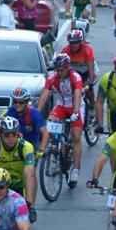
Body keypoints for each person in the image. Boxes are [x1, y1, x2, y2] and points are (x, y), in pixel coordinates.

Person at [37, 53, 84, 187]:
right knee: (50, 126)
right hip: (61, 106)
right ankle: (56, 151)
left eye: (61, 70)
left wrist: (76, 112)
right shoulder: (52, 76)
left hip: (75, 106)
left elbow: (77, 94)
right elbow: (44, 94)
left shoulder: (75, 77)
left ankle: (75, 170)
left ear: (68, 68)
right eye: (57, 70)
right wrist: (37, 114)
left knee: (76, 136)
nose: (58, 72)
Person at [0, 87, 48, 170]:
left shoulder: (35, 114)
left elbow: (45, 133)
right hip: (14, 141)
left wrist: (41, 150)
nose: (17, 104)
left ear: (27, 102)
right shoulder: (8, 111)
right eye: (15, 102)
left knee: (30, 171)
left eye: (21, 102)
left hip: (32, 143)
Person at [61, 29, 97, 110]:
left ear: (80, 42)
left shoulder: (87, 49)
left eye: (75, 42)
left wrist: (90, 83)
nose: (73, 45)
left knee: (88, 88)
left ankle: (92, 106)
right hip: (75, 72)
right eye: (71, 43)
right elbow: (60, 67)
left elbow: (91, 68)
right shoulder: (65, 50)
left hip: (88, 71)